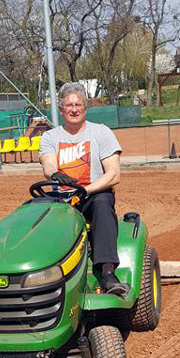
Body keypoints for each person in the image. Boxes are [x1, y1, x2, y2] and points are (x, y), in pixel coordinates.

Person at [38, 83, 129, 296]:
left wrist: (86, 190)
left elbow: (113, 174)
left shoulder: (101, 132)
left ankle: (107, 272)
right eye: (69, 105)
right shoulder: (50, 137)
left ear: (85, 108)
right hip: (62, 198)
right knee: (35, 212)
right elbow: (48, 164)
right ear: (61, 109)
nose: (74, 109)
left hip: (92, 195)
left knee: (103, 203)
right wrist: (54, 174)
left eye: (78, 104)